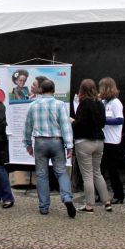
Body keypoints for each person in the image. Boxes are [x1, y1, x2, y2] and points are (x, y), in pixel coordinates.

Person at [23, 78, 76, 217]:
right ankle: (67, 198)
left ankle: (44, 207)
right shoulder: (60, 105)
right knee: (61, 172)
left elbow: (27, 127)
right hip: (56, 141)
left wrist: (28, 144)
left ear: (41, 90)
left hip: (40, 142)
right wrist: (69, 146)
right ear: (53, 90)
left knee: (41, 175)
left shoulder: (33, 105)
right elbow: (66, 126)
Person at [71, 79, 111, 213]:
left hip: (84, 142)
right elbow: (103, 123)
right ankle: (107, 202)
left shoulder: (83, 104)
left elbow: (80, 123)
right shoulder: (100, 103)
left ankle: (89, 205)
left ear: (81, 90)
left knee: (87, 175)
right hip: (99, 141)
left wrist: (72, 121)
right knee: (97, 172)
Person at [98, 77, 125, 204]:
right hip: (103, 140)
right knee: (100, 169)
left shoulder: (116, 103)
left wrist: (104, 121)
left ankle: (119, 194)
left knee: (112, 170)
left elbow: (120, 120)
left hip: (112, 141)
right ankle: (101, 194)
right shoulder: (104, 102)